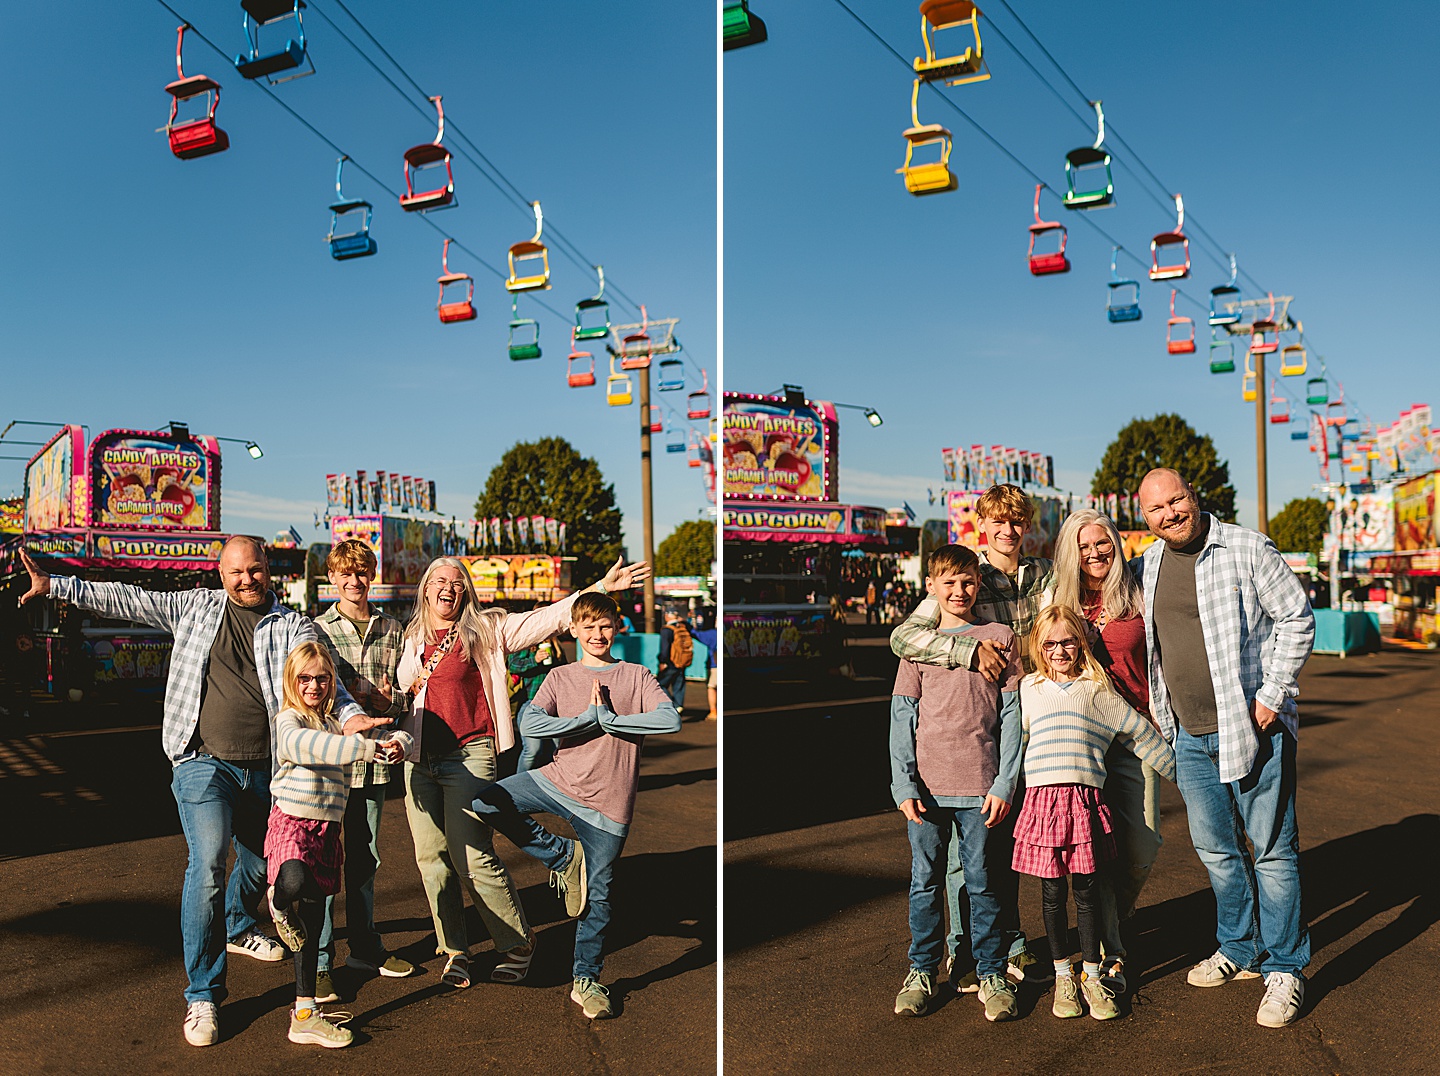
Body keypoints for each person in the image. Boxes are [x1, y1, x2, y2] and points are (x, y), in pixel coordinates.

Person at [17, 538, 384, 1048]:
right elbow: (128, 599)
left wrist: (352, 718)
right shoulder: (196, 606)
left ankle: (236, 926)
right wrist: (55, 584)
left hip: (269, 771)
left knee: (263, 867)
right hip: (202, 761)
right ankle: (204, 995)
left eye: (254, 570)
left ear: (267, 570)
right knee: (209, 862)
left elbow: (329, 681)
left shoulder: (293, 625)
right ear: (221, 571)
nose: (246, 580)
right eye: (236, 572)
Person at [395, 555, 649, 990]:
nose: (448, 589)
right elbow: (403, 689)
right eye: (439, 581)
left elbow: (548, 618)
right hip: (419, 759)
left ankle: (517, 943)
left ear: (467, 591)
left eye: (457, 583)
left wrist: (601, 589)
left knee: (471, 855)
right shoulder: (412, 634)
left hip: (468, 755)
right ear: (425, 588)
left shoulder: (488, 628)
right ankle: (455, 949)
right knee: (432, 862)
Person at [1137, 468, 1315, 1029]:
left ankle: (1285, 968)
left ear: (1194, 496)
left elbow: (1297, 617)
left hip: (1254, 728)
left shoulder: (1245, 546)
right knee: (1216, 850)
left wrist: (1273, 694)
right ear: (1145, 517)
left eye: (1177, 500)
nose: (1169, 514)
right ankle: (1239, 948)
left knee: (1271, 851)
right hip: (1187, 734)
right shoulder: (1149, 565)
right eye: (1155, 509)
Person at [473, 592, 681, 1019]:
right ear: (573, 629)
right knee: (486, 801)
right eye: (588, 626)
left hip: (610, 804)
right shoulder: (561, 676)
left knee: (598, 898)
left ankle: (586, 979)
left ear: (616, 627)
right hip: (559, 781)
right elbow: (530, 721)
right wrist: (583, 720)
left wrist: (614, 721)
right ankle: (564, 856)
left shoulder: (635, 675)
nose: (597, 633)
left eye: (605, 625)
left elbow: (669, 718)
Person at [890, 484, 1054, 989]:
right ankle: (971, 951)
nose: (1008, 531)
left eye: (1017, 521)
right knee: (968, 858)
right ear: (982, 524)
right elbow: (905, 638)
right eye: (998, 522)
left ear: (1028, 525)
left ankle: (1011, 939)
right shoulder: (962, 571)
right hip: (983, 718)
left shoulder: (1042, 576)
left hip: (1037, 708)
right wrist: (966, 653)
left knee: (1022, 838)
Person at [1013, 606, 1175, 1021]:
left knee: (1086, 891)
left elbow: (1140, 734)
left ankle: (1091, 974)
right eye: (1049, 643)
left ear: (1081, 644)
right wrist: (997, 790)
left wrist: (1187, 775)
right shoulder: (1028, 689)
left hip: (1084, 804)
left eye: (1068, 641)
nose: (1059, 650)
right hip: (1043, 805)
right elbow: (1012, 747)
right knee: (1052, 895)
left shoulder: (1097, 690)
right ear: (1038, 647)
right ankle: (1062, 975)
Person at [888, 544, 1023, 1023]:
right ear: (931, 587)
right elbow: (901, 717)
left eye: (967, 581)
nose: (959, 590)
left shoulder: (1000, 637)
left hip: (982, 784)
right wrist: (902, 785)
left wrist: (1006, 781)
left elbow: (1012, 715)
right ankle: (922, 970)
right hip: (925, 789)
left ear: (978, 582)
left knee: (984, 881)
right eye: (948, 582)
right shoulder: (917, 643)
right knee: (925, 881)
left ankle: (991, 971)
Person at [265, 642, 412, 1048]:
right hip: (292, 821)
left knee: (312, 925)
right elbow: (305, 747)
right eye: (305, 678)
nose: (314, 685)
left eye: (322, 678)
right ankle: (277, 904)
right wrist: (366, 747)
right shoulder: (289, 720)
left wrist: (400, 744)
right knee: (291, 882)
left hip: (328, 830)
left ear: (332, 682)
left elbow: (390, 734)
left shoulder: (336, 722)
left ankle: (305, 1013)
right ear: (292, 682)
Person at [1050, 509, 1160, 994]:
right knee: (1097, 852)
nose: (1095, 553)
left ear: (1115, 544)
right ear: (1071, 552)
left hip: (1137, 733)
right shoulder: (1061, 598)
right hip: (1082, 739)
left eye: (1103, 543)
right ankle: (1110, 951)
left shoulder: (1138, 590)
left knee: (1142, 843)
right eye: (1084, 546)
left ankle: (1116, 910)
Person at [312, 539, 415, 997]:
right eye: (345, 574)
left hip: (374, 763)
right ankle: (317, 960)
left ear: (372, 576)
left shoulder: (393, 628)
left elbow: (409, 694)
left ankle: (364, 945)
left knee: (366, 858)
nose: (354, 582)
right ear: (332, 578)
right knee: (322, 863)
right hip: (330, 765)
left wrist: (391, 702)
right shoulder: (315, 630)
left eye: (362, 573)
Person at [508, 631, 567, 770]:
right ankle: (518, 786)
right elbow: (513, 665)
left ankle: (557, 783)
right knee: (532, 750)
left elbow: (564, 672)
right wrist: (535, 660)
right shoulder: (526, 644)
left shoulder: (555, 646)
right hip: (530, 702)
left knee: (559, 749)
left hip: (553, 704)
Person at [655, 606, 691, 713]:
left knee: (660, 685)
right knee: (679, 685)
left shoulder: (667, 630)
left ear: (667, 616)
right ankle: (679, 705)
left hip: (670, 662)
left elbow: (665, 647)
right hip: (682, 661)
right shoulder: (682, 627)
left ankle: (672, 705)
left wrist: (663, 661)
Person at [692, 608, 718, 721]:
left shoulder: (710, 634)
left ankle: (714, 711)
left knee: (711, 687)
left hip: (714, 665)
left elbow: (694, 633)